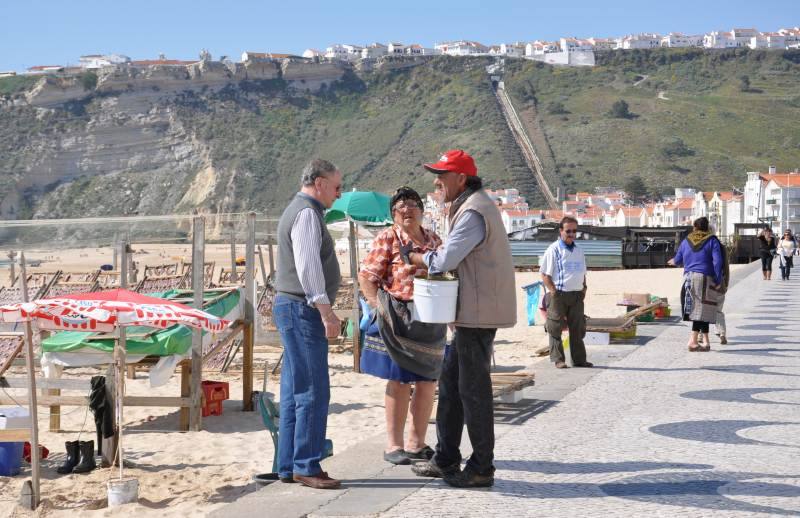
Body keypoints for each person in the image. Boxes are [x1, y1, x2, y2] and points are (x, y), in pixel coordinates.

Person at [405, 149, 517, 488]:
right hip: (472, 311)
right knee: (452, 385)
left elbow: (447, 258)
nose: (437, 182)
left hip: (477, 314)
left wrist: (416, 256)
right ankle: (446, 457)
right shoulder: (471, 205)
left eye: (442, 175)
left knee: (473, 391)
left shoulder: (473, 210)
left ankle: (482, 466)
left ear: (461, 179)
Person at [358, 187, 444, 466]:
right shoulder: (388, 237)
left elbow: (447, 272)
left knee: (428, 381)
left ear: (422, 210)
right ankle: (394, 444)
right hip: (396, 317)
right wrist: (376, 308)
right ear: (393, 214)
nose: (407, 210)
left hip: (431, 317)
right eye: (400, 207)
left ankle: (416, 444)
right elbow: (367, 276)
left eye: (412, 205)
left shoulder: (434, 239)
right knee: (397, 381)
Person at [273, 158, 343, 490]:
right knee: (314, 389)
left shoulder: (301, 210)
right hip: (302, 308)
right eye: (336, 187)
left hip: (293, 306)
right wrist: (326, 311)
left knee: (294, 389)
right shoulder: (306, 213)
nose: (339, 194)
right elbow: (308, 268)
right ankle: (306, 465)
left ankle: (288, 464)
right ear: (319, 183)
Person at [540, 216, 593, 369]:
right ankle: (558, 360)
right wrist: (554, 292)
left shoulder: (578, 250)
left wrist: (584, 289)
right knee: (555, 327)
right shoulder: (553, 250)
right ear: (561, 231)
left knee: (577, 328)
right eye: (568, 231)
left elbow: (583, 272)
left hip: (576, 295)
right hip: (559, 294)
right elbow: (544, 274)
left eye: (574, 231)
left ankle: (579, 360)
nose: (571, 234)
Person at [668, 217, 724, 352]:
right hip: (705, 278)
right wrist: (717, 280)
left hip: (688, 278)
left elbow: (678, 259)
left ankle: (705, 341)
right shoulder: (712, 240)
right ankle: (693, 341)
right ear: (707, 227)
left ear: (695, 227)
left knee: (700, 309)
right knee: (701, 309)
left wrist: (673, 261)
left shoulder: (687, 240)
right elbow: (718, 262)